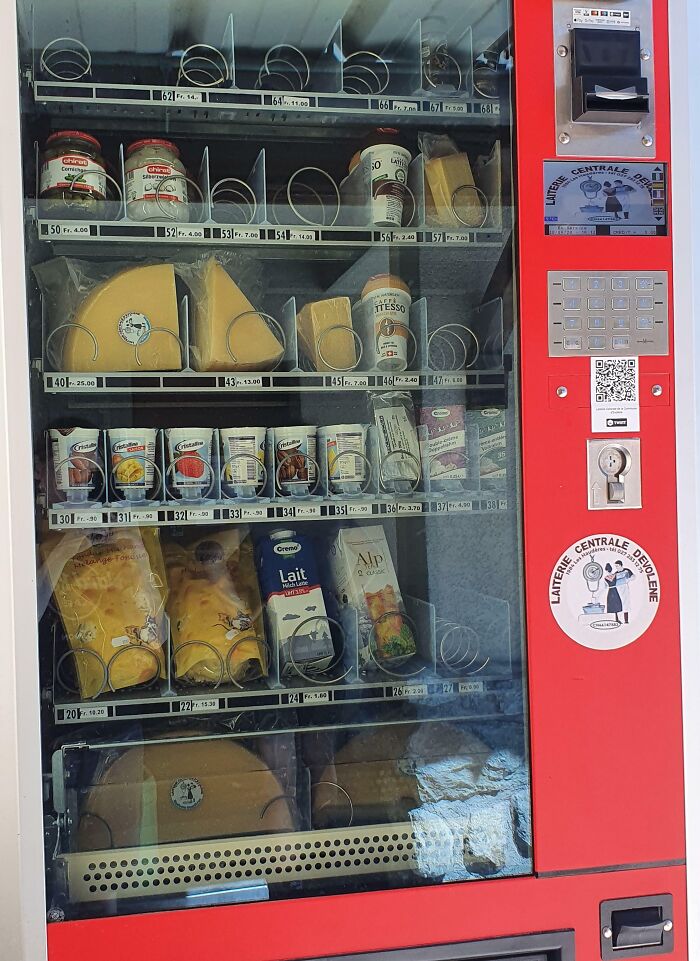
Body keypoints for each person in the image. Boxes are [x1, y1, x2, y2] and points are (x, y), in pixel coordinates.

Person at [612, 559, 635, 625]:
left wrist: (628, 579)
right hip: (617, 589)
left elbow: (633, 577)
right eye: (615, 566)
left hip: (624, 588)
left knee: (625, 604)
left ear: (621, 565)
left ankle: (626, 621)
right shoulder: (615, 573)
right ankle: (617, 620)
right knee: (617, 604)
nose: (616, 567)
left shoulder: (626, 571)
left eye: (617, 566)